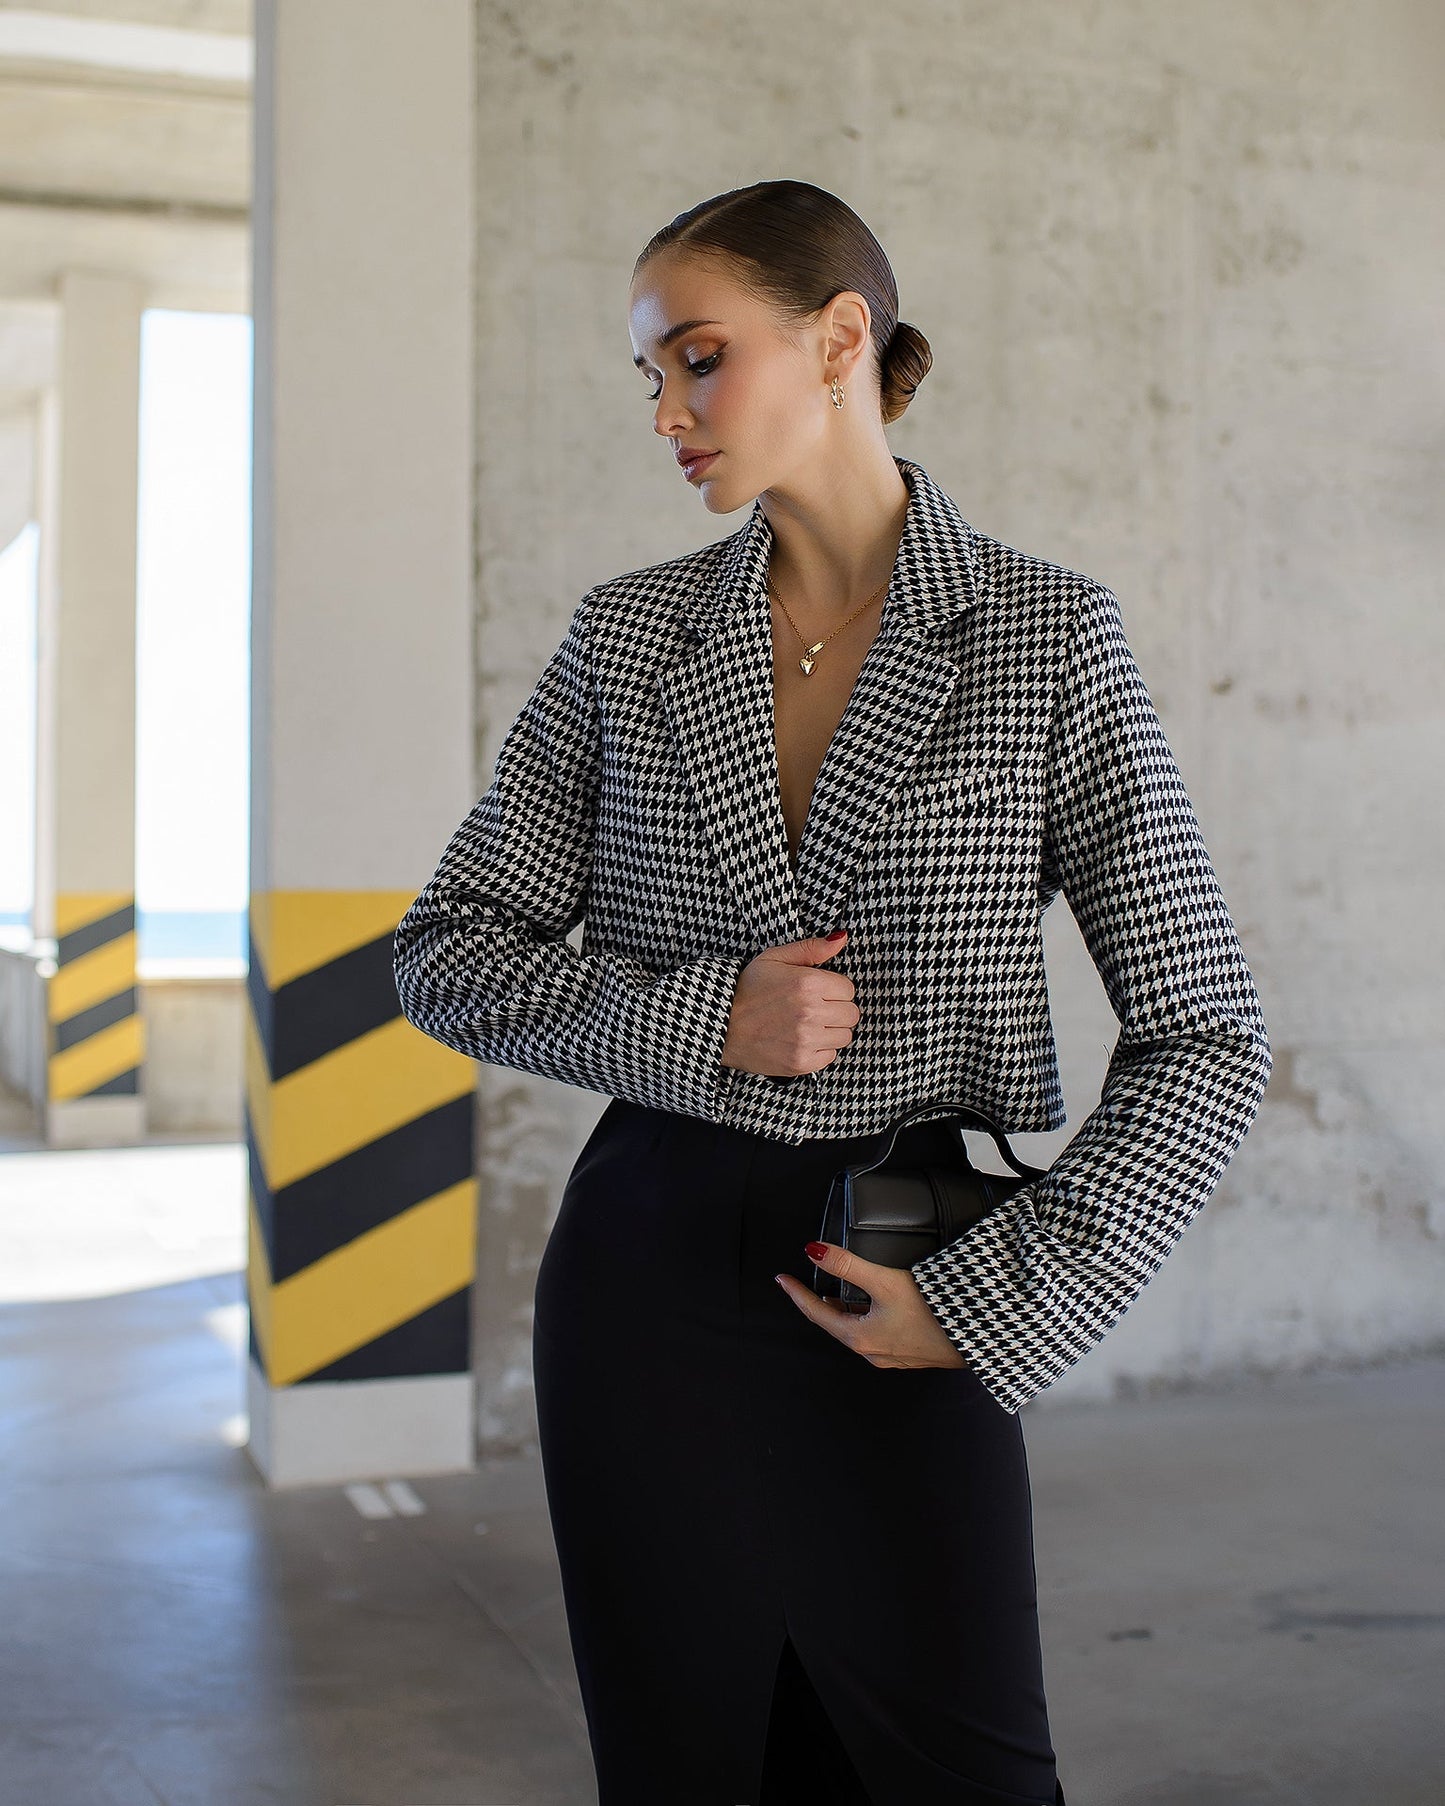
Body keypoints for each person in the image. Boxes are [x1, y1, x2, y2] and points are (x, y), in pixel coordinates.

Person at [392, 179, 1272, 1806]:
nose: (665, 411)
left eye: (698, 359)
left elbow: (1206, 1031)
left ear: (838, 337)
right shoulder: (627, 637)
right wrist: (695, 1019)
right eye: (648, 376)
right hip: (642, 1276)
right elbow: (445, 948)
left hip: (912, 1280)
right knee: (684, 1768)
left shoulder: (1043, 636)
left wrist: (1006, 1294)